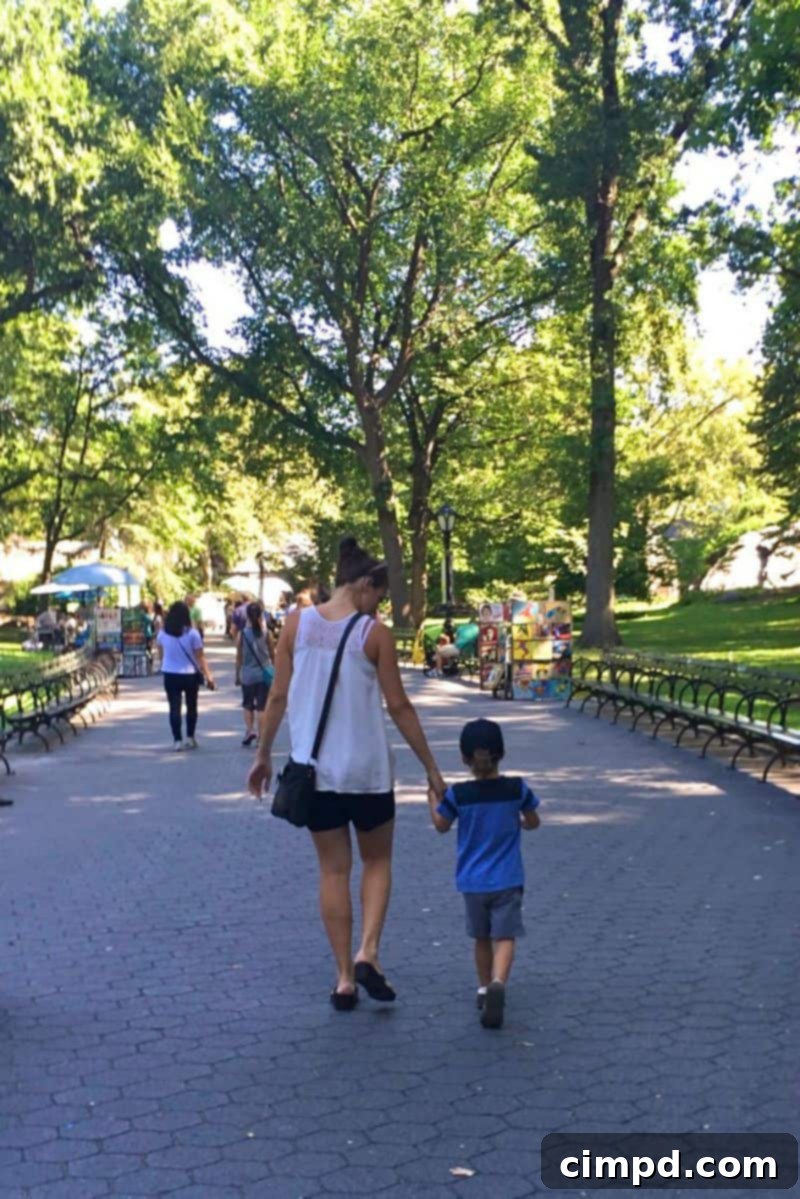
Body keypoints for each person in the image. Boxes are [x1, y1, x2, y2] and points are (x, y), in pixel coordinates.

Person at [248, 536, 445, 1011]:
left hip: (315, 773)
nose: (379, 605)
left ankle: (342, 978)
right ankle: (368, 952)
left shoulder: (296, 625)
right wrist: (433, 771)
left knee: (333, 870)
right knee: (376, 862)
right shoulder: (371, 634)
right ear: (362, 585)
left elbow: (276, 697)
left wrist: (264, 754)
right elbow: (398, 705)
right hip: (368, 771)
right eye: (378, 594)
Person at [429, 717, 540, 1030]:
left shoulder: (459, 795)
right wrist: (521, 822)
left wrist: (431, 798)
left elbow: (441, 826)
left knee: (480, 937)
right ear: (500, 754)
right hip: (509, 879)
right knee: (504, 936)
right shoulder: (517, 788)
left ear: (464, 758)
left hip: (473, 882)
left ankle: (482, 986)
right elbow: (534, 821)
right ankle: (498, 983)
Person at [156, 601, 216, 750]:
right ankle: (190, 737)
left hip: (170, 674)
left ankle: (177, 740)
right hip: (190, 674)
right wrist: (209, 675)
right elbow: (200, 657)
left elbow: (161, 654)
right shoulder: (192, 634)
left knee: (174, 707)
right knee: (191, 706)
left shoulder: (163, 633)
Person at [235, 601, 275, 747]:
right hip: (264, 675)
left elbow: (239, 656)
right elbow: (272, 654)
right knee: (262, 707)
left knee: (247, 705)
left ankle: (250, 730)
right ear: (260, 615)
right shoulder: (267, 634)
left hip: (248, 675)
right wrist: (275, 670)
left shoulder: (242, 635)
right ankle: (261, 737)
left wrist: (237, 674)